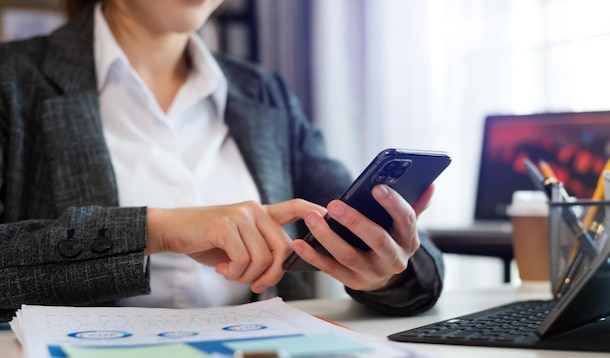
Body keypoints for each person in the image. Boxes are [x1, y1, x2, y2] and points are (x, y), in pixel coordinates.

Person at [0, 0, 444, 323]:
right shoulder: (12, 81)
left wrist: (384, 272)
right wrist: (159, 230)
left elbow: (418, 271)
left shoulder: (264, 93)